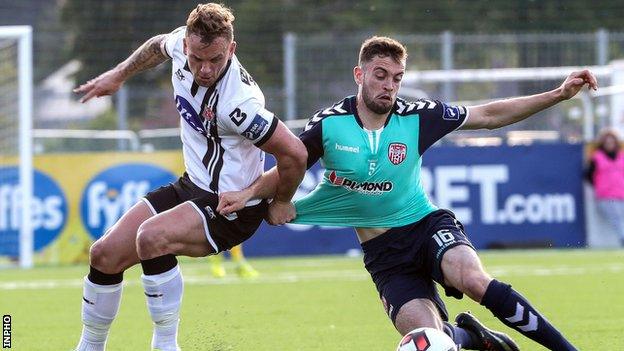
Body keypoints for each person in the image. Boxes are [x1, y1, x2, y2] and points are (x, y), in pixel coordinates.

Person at [218, 36, 598, 350]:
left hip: (425, 227)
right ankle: (473, 339)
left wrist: (559, 94)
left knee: (473, 280)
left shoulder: (417, 116)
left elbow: (489, 115)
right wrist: (252, 193)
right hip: (385, 257)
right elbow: (291, 163)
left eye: (396, 78)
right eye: (380, 75)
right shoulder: (330, 125)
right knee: (425, 340)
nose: (389, 86)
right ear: (360, 74)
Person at [72, 3, 307, 351]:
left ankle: (166, 345)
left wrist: (280, 200)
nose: (206, 69)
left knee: (151, 237)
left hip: (231, 208)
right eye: (197, 59)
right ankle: (89, 346)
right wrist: (118, 75)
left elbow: (296, 154)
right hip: (190, 187)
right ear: (186, 46)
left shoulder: (239, 104)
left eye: (216, 59)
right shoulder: (182, 44)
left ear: (232, 49)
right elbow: (156, 46)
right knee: (103, 254)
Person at [585, 128, 624, 246]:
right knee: (617, 217)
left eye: (612, 142)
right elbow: (588, 175)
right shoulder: (597, 157)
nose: (610, 144)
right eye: (607, 142)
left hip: (621, 193)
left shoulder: (621, 156)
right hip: (606, 195)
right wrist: (600, 185)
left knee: (619, 218)